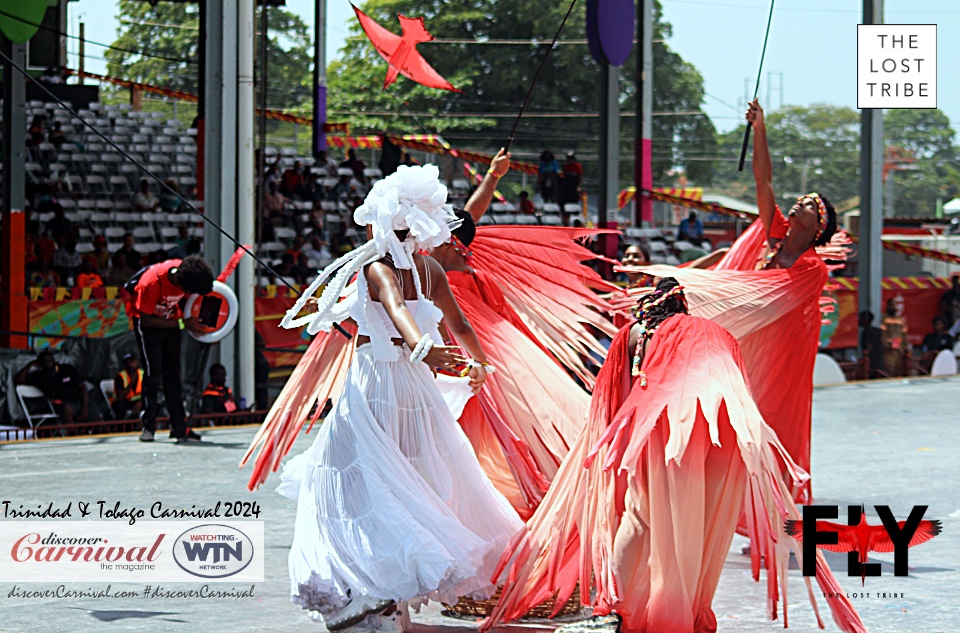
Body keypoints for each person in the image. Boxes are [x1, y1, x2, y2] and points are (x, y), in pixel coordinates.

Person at [482, 278, 868, 633]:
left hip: (670, 427)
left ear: (648, 309)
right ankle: (684, 612)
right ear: (683, 308)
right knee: (697, 525)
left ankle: (615, 611)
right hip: (731, 435)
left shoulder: (635, 333)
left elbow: (614, 405)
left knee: (639, 518)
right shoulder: (720, 333)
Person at [277, 164, 522, 630]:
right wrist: (477, 364)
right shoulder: (429, 269)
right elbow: (461, 325)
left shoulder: (375, 267)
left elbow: (393, 308)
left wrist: (424, 349)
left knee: (364, 485)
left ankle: (380, 594)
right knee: (409, 482)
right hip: (415, 388)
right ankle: (395, 608)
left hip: (378, 384)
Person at [627, 98, 840, 503]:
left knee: (772, 419)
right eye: (803, 200)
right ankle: (726, 502)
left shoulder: (812, 267)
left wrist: (706, 292)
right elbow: (764, 184)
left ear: (818, 228)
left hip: (780, 349)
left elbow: (765, 297)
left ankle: (776, 507)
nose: (801, 203)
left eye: (811, 206)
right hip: (747, 336)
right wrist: (760, 129)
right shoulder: (774, 235)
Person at [126, 256, 214, 443]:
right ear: (185, 286)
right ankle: (148, 426)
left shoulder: (186, 272)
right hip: (148, 327)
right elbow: (147, 320)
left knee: (173, 376)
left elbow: (191, 306)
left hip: (173, 323)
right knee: (152, 375)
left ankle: (179, 427)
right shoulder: (151, 282)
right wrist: (182, 323)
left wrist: (209, 331)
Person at [16, 350, 90, 425]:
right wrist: (30, 365)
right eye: (44, 362)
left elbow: (82, 387)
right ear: (39, 364)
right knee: (66, 408)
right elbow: (20, 380)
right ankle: (73, 434)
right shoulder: (39, 377)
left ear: (53, 360)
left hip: (80, 401)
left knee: (97, 420)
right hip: (61, 404)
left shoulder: (66, 369)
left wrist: (85, 408)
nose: (48, 363)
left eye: (49, 360)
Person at [880, 297, 908, 376]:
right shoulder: (884, 318)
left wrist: (905, 347)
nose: (893, 307)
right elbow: (882, 334)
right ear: (887, 306)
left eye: (894, 305)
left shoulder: (900, 319)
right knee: (889, 370)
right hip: (889, 350)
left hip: (899, 350)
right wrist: (886, 345)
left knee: (899, 371)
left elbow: (904, 334)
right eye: (891, 305)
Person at [112, 354, 144, 420]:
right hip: (125, 402)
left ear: (136, 362)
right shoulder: (121, 376)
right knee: (120, 406)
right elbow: (120, 397)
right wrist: (131, 383)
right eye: (128, 363)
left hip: (140, 400)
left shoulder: (143, 373)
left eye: (132, 362)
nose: (130, 365)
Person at [858, 310, 884, 378]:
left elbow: (868, 348)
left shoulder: (867, 332)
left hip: (871, 365)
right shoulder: (877, 331)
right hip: (880, 363)